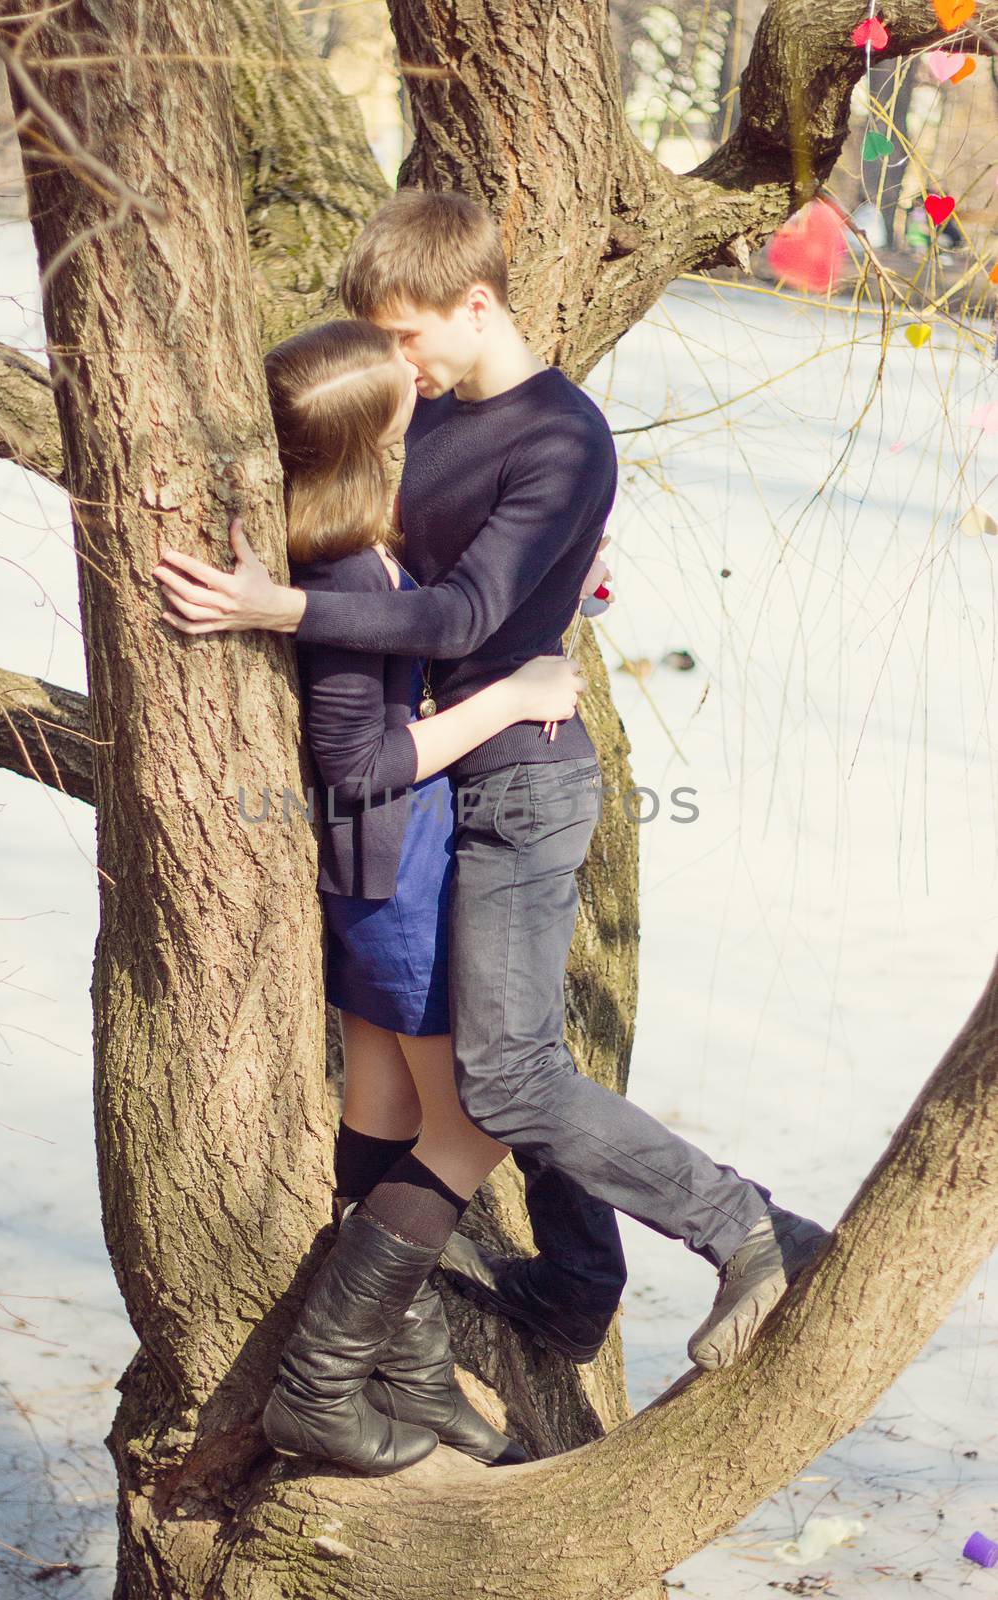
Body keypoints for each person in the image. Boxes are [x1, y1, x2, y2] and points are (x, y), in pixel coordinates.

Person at [153, 189, 830, 1384]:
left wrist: (281, 608)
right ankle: (574, 1285)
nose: (393, 363)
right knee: (514, 1044)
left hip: (523, 778)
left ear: (477, 305)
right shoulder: (435, 417)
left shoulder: (562, 437)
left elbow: (466, 610)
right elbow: (414, 562)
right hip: (452, 773)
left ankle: (748, 1229)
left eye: (407, 336)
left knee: (506, 1073)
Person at [224, 317, 592, 1475]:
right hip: (397, 878)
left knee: (384, 1114)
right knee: (477, 1119)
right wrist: (513, 690)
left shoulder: (354, 545)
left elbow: (435, 618)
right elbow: (360, 762)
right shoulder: (335, 563)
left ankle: (412, 1371)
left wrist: (556, 593)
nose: (421, 390)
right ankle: (324, 1380)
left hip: (380, 875)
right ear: (377, 428)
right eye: (404, 388)